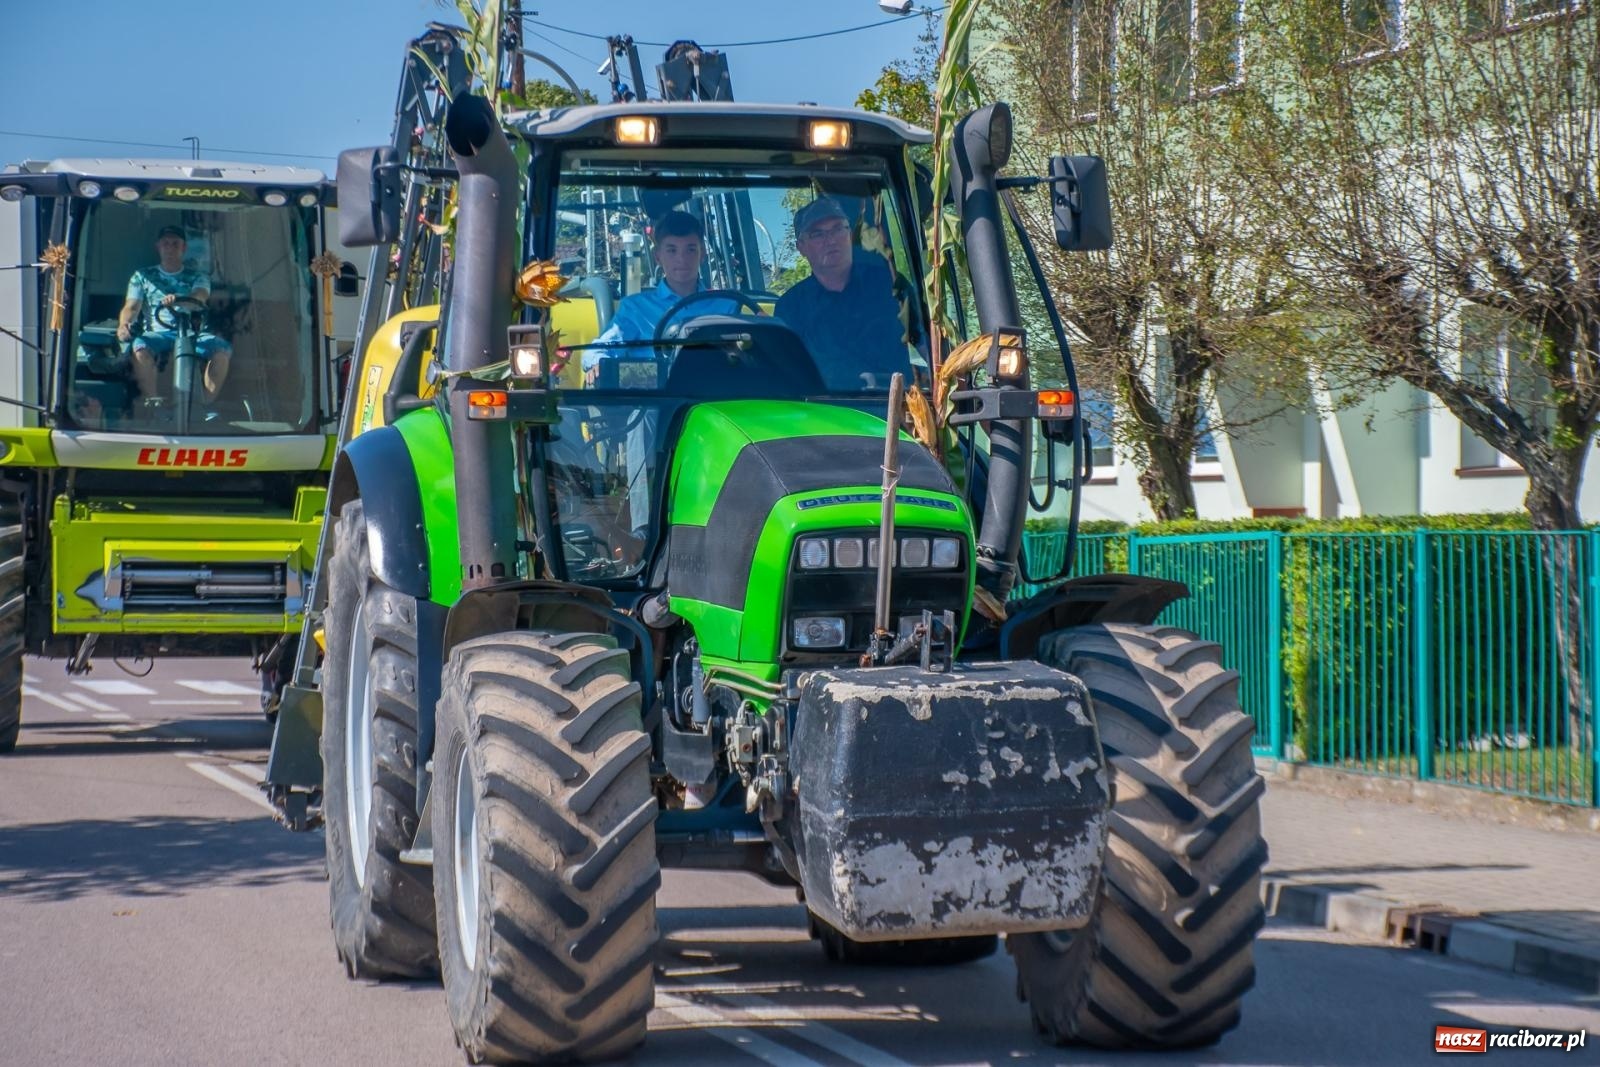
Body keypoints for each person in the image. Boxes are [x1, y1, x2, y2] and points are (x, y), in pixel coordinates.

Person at [583, 210, 739, 382]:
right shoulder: (635, 308)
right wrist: (599, 365)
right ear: (658, 256)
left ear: (702, 254)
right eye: (672, 250)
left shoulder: (727, 307)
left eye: (690, 250)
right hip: (658, 404)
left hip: (713, 399)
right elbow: (598, 351)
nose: (682, 259)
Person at [775, 197, 911, 390]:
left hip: (902, 407)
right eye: (818, 234)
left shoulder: (890, 284)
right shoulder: (790, 308)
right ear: (801, 247)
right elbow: (790, 379)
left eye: (838, 229)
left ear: (850, 234)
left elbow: (926, 339)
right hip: (829, 414)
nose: (831, 240)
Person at [117, 225, 233, 404]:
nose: (170, 248)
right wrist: (124, 325)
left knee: (222, 351)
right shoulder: (142, 276)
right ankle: (153, 402)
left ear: (184, 248)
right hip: (157, 333)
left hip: (193, 334)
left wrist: (180, 299)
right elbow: (132, 306)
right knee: (139, 347)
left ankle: (205, 404)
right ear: (158, 247)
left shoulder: (198, 277)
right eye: (166, 243)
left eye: (175, 244)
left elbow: (200, 297)